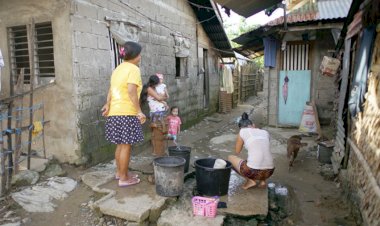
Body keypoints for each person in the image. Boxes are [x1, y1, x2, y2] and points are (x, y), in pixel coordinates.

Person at [102, 41, 145, 187]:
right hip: (127, 113)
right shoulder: (133, 69)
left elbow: (111, 89)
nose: (140, 56)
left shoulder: (118, 69)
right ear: (135, 55)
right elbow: (131, 91)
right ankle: (124, 178)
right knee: (126, 146)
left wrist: (108, 104)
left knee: (120, 145)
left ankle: (120, 173)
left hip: (115, 112)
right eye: (139, 54)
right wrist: (139, 111)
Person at [228, 112, 275, 190]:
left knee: (230, 158)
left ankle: (250, 180)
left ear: (241, 128)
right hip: (269, 172)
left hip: (252, 172)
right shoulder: (265, 132)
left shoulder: (242, 131)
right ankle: (262, 181)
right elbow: (263, 149)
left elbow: (237, 151)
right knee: (262, 156)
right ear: (253, 125)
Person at [140, 75, 168, 156]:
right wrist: (164, 97)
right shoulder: (149, 89)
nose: (158, 85)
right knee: (157, 132)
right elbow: (159, 98)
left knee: (156, 132)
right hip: (156, 113)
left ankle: (157, 151)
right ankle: (158, 152)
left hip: (158, 112)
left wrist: (164, 100)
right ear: (153, 83)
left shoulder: (152, 88)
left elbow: (160, 98)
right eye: (157, 83)